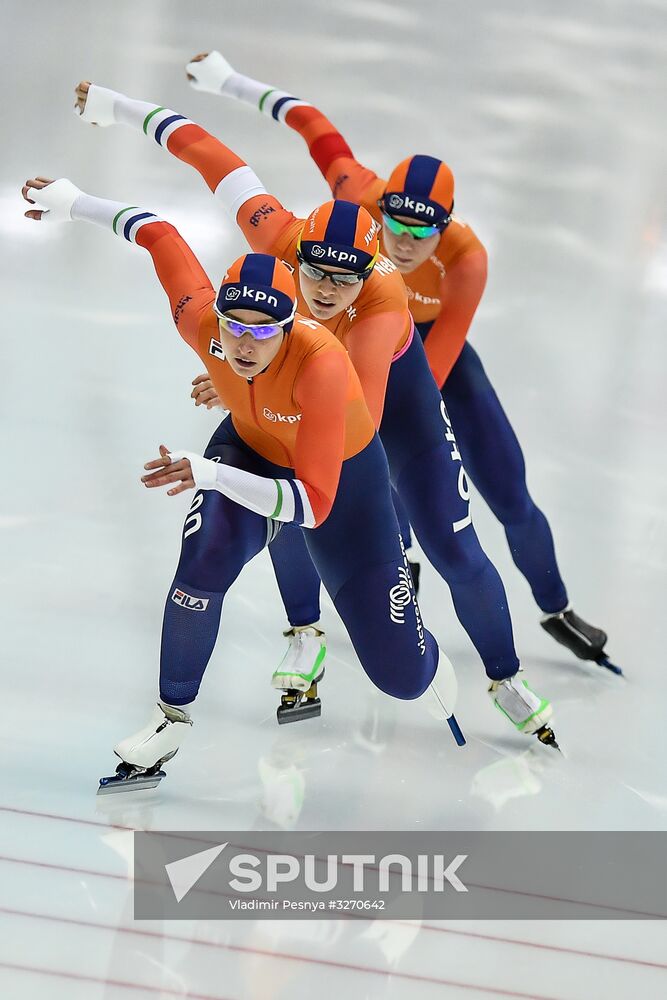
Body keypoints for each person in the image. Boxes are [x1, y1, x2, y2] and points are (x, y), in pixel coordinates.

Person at [71, 79, 560, 747]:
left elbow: (351, 422)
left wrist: (252, 378)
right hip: (303, 379)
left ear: (370, 271)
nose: (327, 291)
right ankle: (304, 632)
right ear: (293, 252)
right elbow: (212, 155)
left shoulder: (380, 311)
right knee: (282, 486)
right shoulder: (281, 234)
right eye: (314, 273)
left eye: (346, 279)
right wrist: (118, 105)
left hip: (392, 400)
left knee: (446, 542)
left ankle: (503, 677)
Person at [183, 51, 621, 677]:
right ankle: (324, 613)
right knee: (308, 472)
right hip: (337, 360)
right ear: (381, 204)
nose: (407, 241)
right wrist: (229, 81)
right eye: (397, 221)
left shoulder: (466, 261)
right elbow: (310, 122)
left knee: (505, 492)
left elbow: (431, 374)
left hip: (424, 360)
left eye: (426, 229)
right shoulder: (353, 197)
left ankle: (555, 606)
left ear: (449, 226)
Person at [22, 175, 468, 789]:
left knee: (399, 678)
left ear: (291, 326)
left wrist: (208, 473)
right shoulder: (201, 323)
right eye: (234, 327)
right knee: (202, 563)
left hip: (342, 486)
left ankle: (427, 668)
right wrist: (75, 203)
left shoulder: (323, 366)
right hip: (252, 449)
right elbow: (157, 234)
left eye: (264, 331)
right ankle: (169, 717)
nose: (244, 345)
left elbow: (309, 506)